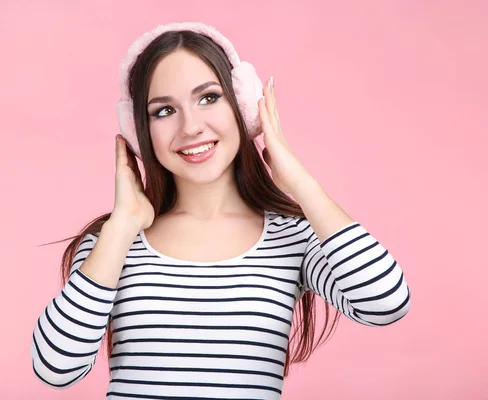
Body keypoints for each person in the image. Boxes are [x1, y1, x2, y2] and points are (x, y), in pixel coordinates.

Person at [30, 22, 411, 399]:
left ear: (243, 107)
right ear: (139, 130)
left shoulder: (292, 237)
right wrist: (120, 227)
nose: (191, 126)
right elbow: (55, 368)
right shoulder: (112, 243)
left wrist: (299, 181)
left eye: (209, 98)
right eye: (163, 111)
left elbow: (386, 302)